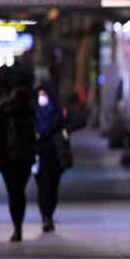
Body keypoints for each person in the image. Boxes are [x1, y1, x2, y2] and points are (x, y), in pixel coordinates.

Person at [34, 84, 86, 233]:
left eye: (44, 94)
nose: (41, 98)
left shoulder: (60, 112)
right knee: (43, 187)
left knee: (53, 188)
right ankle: (46, 218)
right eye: (39, 94)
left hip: (56, 156)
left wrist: (67, 130)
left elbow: (81, 120)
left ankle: (49, 214)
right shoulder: (35, 112)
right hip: (39, 155)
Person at [0, 86, 37, 243]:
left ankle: (16, 228)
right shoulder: (30, 113)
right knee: (20, 192)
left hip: (7, 159)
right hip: (25, 159)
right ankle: (19, 226)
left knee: (12, 193)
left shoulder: (4, 111)